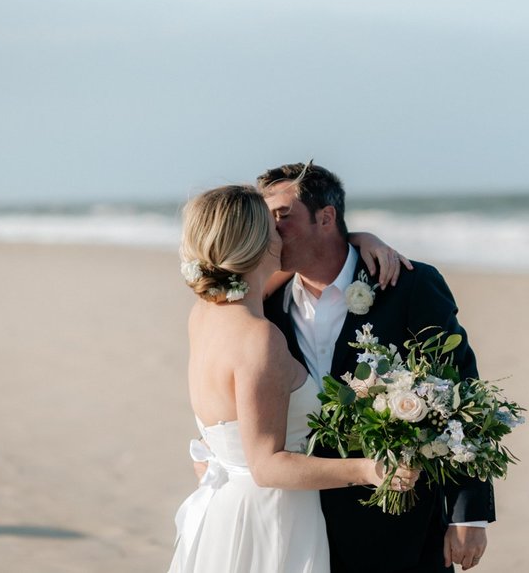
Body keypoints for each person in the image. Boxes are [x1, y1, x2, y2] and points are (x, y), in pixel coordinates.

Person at [258, 163, 496, 573]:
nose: (270, 231)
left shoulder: (408, 284)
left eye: (282, 217)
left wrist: (467, 515)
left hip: (401, 514)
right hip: (302, 512)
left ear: (326, 217)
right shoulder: (266, 304)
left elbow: (460, 391)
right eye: (264, 220)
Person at [168, 184, 419, 573]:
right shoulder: (259, 338)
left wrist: (356, 239)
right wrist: (369, 470)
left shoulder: (205, 313)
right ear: (258, 243)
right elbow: (267, 467)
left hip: (227, 508)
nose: (281, 231)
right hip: (272, 516)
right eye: (273, 225)